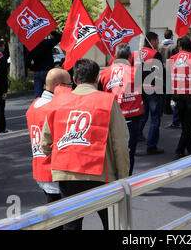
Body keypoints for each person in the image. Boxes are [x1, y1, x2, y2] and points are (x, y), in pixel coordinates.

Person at [40, 58, 129, 230]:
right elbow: (120, 143)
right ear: (97, 78)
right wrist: (123, 175)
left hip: (66, 173)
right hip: (100, 173)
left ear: (74, 79)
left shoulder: (57, 102)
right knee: (112, 223)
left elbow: (45, 142)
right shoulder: (107, 101)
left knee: (71, 225)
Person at [25, 67, 71, 229]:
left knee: (53, 213)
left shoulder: (34, 104)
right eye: (69, 84)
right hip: (54, 171)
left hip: (40, 167)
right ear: (60, 86)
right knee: (58, 219)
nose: (72, 88)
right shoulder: (55, 108)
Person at [99, 43, 143, 175]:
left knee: (112, 151)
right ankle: (127, 179)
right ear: (130, 57)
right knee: (129, 152)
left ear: (115, 56)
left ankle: (114, 180)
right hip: (132, 118)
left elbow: (100, 94)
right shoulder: (136, 71)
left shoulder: (105, 72)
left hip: (110, 117)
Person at [136, 31, 165, 155]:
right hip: (153, 88)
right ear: (152, 41)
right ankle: (151, 145)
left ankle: (135, 137)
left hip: (139, 87)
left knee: (142, 115)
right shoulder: (155, 54)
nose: (158, 43)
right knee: (155, 117)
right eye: (157, 40)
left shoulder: (137, 54)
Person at [27, 30, 62, 98]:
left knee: (38, 95)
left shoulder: (31, 46)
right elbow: (59, 37)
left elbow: (27, 61)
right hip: (48, 71)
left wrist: (33, 68)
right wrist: (50, 30)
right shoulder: (47, 43)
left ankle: (39, 107)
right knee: (51, 92)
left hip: (37, 71)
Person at [158, 29, 175, 115]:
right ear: (171, 36)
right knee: (168, 91)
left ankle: (161, 108)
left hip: (160, 69)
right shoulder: (173, 46)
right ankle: (167, 108)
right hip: (170, 70)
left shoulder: (159, 46)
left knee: (162, 90)